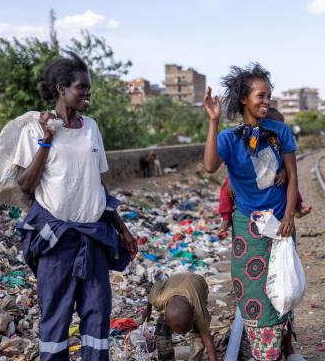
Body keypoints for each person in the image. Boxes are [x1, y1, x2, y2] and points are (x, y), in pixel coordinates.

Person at [14, 52, 138, 361]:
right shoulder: (33, 129)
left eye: (88, 88)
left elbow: (98, 184)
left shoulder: (91, 128)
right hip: (56, 240)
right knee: (55, 318)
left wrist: (122, 228)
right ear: (61, 89)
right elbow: (25, 185)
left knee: (97, 315)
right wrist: (46, 139)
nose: (87, 94)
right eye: (81, 87)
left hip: (94, 236)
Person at [203, 63, 302, 361]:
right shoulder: (229, 139)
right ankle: (266, 354)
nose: (266, 101)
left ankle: (280, 346)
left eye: (268, 96)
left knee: (283, 285)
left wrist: (289, 217)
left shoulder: (280, 130)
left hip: (281, 225)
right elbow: (209, 167)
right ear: (244, 99)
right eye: (260, 96)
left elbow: (293, 175)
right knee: (254, 294)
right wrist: (213, 122)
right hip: (249, 227)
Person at [218, 107, 311, 233]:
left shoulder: (279, 140)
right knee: (226, 188)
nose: (279, 128)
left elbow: (287, 164)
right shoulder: (247, 138)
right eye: (276, 125)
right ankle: (226, 217)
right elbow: (237, 163)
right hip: (249, 178)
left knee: (290, 181)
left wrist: (283, 171)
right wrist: (231, 180)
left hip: (274, 175)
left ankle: (298, 207)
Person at [142, 273, 216, 361]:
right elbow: (154, 289)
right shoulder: (158, 299)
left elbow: (208, 342)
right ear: (165, 315)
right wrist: (148, 309)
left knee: (199, 335)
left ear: (194, 315)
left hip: (197, 282)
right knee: (161, 333)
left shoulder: (198, 310)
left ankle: (195, 358)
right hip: (174, 283)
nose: (184, 335)